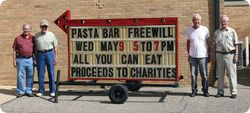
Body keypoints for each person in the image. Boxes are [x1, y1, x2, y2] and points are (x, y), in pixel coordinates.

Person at [185, 14, 210, 97]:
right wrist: (188, 54)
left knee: (204, 75)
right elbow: (188, 43)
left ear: (200, 20)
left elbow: (208, 42)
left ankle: (205, 90)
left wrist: (209, 53)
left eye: (198, 20)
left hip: (203, 56)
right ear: (192, 21)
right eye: (195, 20)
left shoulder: (205, 29)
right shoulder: (189, 30)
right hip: (192, 56)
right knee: (193, 75)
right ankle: (194, 90)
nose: (196, 21)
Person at [213, 15, 238, 99]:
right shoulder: (216, 32)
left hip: (230, 55)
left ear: (228, 22)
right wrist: (214, 55)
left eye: (225, 21)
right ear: (220, 22)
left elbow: (236, 44)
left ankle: (233, 92)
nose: (223, 23)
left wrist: (236, 55)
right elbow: (214, 45)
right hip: (219, 55)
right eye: (222, 21)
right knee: (220, 75)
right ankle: (220, 92)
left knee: (231, 74)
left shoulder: (232, 31)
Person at [35, 19, 58, 97]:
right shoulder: (37, 35)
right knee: (40, 73)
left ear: (47, 27)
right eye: (43, 26)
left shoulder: (51, 34)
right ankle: (41, 90)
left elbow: (55, 46)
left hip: (50, 53)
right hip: (40, 54)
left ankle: (52, 90)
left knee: (51, 72)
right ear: (40, 27)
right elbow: (35, 48)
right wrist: (35, 57)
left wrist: (55, 57)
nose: (44, 27)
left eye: (45, 26)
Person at [12, 24, 35, 98]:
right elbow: (14, 50)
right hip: (21, 59)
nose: (26, 31)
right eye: (25, 29)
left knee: (30, 76)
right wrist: (14, 60)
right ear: (23, 29)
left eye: (27, 29)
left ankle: (29, 91)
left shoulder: (33, 38)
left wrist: (35, 59)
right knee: (20, 76)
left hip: (30, 59)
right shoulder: (18, 38)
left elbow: (36, 50)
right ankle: (20, 91)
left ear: (30, 29)